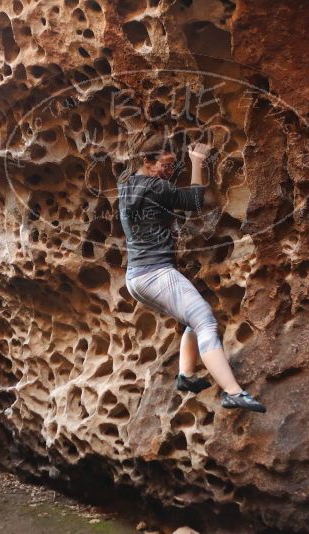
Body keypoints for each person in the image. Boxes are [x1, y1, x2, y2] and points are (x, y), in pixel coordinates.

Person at [118, 133, 266, 413]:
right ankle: (234, 392)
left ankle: (186, 376)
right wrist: (197, 161)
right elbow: (196, 201)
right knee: (207, 322)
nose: (170, 171)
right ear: (147, 161)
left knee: (193, 317)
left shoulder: (126, 184)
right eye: (165, 164)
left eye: (174, 165)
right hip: (157, 273)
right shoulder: (155, 187)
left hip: (137, 277)